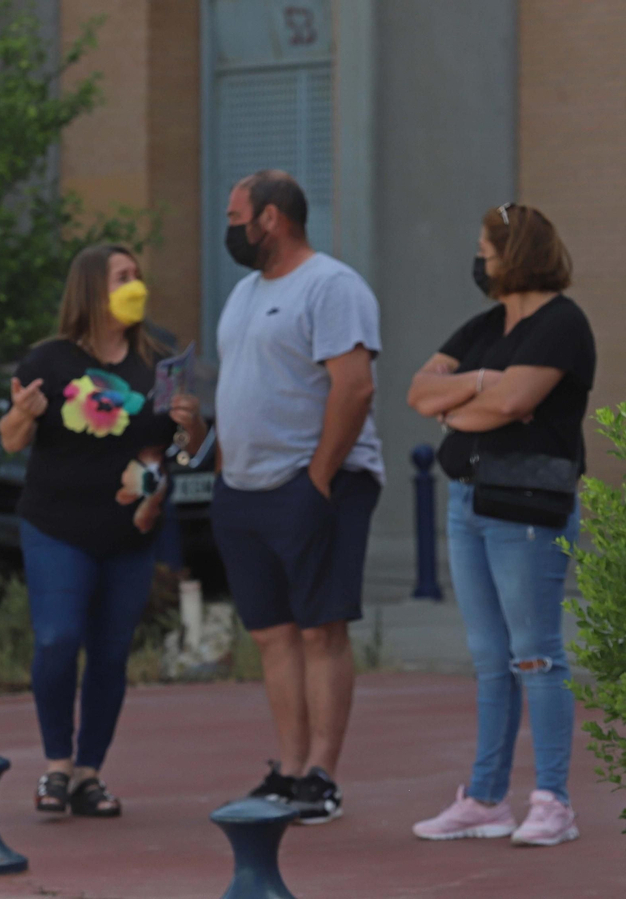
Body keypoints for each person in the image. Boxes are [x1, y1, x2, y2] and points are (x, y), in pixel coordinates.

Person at [405, 203, 595, 847]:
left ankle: (553, 802)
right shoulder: (488, 327)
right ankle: (486, 799)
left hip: (528, 511)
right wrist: (482, 381)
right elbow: (419, 392)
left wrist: (463, 404)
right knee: (490, 659)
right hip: (467, 501)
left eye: (484, 250)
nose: (479, 261)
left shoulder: (562, 324)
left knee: (535, 654)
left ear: (511, 253)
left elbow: (515, 403)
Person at [0, 244, 203, 818]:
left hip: (131, 532)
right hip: (57, 525)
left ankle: (89, 773)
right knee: (57, 639)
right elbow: (11, 440)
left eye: (136, 275)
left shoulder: (160, 362)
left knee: (110, 655)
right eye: (121, 277)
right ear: (91, 288)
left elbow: (188, 453)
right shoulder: (49, 360)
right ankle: (57, 764)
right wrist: (23, 413)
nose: (133, 284)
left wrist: (192, 426)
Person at [210, 170, 383, 824]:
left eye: (235, 218)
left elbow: (354, 386)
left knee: (320, 629)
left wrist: (318, 477)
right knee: (272, 633)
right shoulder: (243, 293)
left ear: (271, 219)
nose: (229, 230)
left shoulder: (331, 286)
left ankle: (321, 775)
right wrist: (222, 467)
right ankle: (287, 771)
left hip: (314, 484)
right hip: (243, 489)